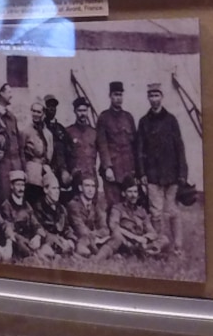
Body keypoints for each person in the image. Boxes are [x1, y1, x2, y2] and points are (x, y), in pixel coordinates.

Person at [136, 82, 188, 249]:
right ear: (147, 98)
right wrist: (142, 173)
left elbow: (180, 148)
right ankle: (158, 245)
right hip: (152, 176)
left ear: (162, 97)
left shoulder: (171, 120)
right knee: (156, 213)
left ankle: (177, 246)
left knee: (172, 211)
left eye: (157, 95)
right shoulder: (143, 122)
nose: (154, 99)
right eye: (151, 96)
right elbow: (139, 150)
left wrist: (182, 174)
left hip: (171, 175)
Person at [95, 80, 139, 208]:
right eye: (115, 94)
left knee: (129, 205)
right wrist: (107, 167)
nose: (118, 98)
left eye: (120, 95)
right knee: (114, 205)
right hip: (112, 171)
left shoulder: (128, 117)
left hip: (127, 169)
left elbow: (134, 145)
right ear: (110, 96)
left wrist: (135, 169)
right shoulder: (103, 117)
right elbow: (102, 144)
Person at [64, 172, 109, 258]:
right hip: (79, 239)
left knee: (114, 238)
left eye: (93, 186)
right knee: (84, 243)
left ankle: (99, 254)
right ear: (81, 188)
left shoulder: (94, 206)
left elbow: (105, 229)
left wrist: (95, 235)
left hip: (93, 239)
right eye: (87, 186)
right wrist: (96, 235)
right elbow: (81, 230)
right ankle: (100, 254)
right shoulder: (73, 205)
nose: (90, 190)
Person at [64, 96, 101, 193]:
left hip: (91, 176)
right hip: (76, 177)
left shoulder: (94, 133)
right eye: (79, 111)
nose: (82, 114)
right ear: (75, 111)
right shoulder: (68, 132)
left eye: (84, 110)